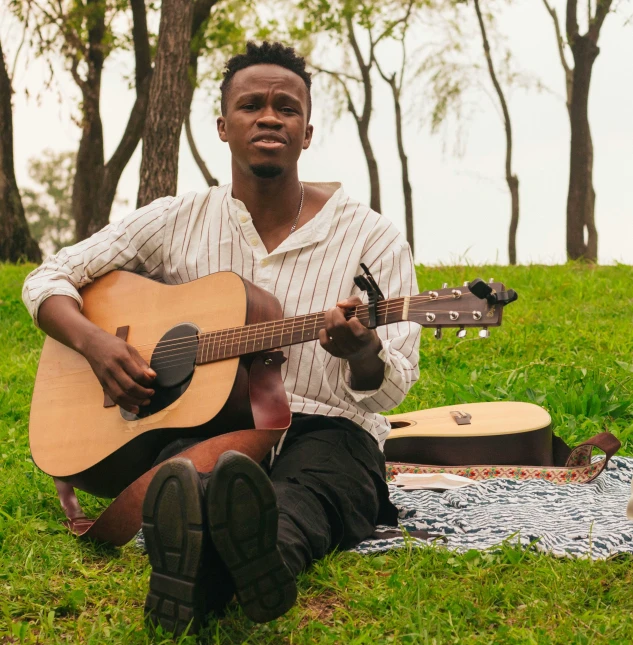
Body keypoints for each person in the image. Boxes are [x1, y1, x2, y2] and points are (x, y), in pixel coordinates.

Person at [22, 41, 421, 634]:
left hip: (328, 428)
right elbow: (48, 277)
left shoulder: (371, 237)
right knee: (191, 477)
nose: (268, 116)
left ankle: (214, 572)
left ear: (306, 133)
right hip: (207, 427)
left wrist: (363, 352)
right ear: (223, 127)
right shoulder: (176, 218)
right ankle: (219, 554)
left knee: (313, 494)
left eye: (286, 108)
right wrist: (96, 344)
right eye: (251, 105)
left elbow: (394, 382)